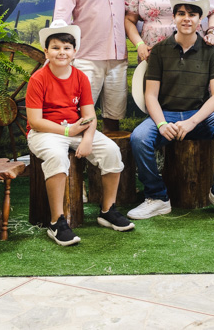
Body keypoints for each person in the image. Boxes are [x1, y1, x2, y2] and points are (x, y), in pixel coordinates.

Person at [127, 0, 214, 223]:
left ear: (200, 20)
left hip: (199, 116)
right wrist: (161, 124)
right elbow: (151, 96)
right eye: (181, 13)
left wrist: (191, 122)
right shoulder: (159, 50)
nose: (186, 18)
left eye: (192, 14)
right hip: (166, 115)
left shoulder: (211, 51)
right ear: (174, 17)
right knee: (139, 138)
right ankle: (157, 197)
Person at [26, 20, 135, 246]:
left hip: (77, 129)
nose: (61, 52)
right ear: (46, 52)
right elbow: (35, 122)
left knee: (111, 151)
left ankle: (107, 210)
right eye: (55, 47)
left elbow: (89, 116)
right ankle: (56, 222)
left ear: (75, 52)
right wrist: (67, 130)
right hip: (45, 132)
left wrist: (87, 139)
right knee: (57, 157)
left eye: (67, 48)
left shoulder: (80, 77)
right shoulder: (38, 79)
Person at [54, 0, 131, 133]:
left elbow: (131, 8)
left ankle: (111, 154)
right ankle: (80, 154)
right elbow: (61, 19)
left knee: (114, 117)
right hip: (86, 58)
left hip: (118, 59)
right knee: (80, 116)